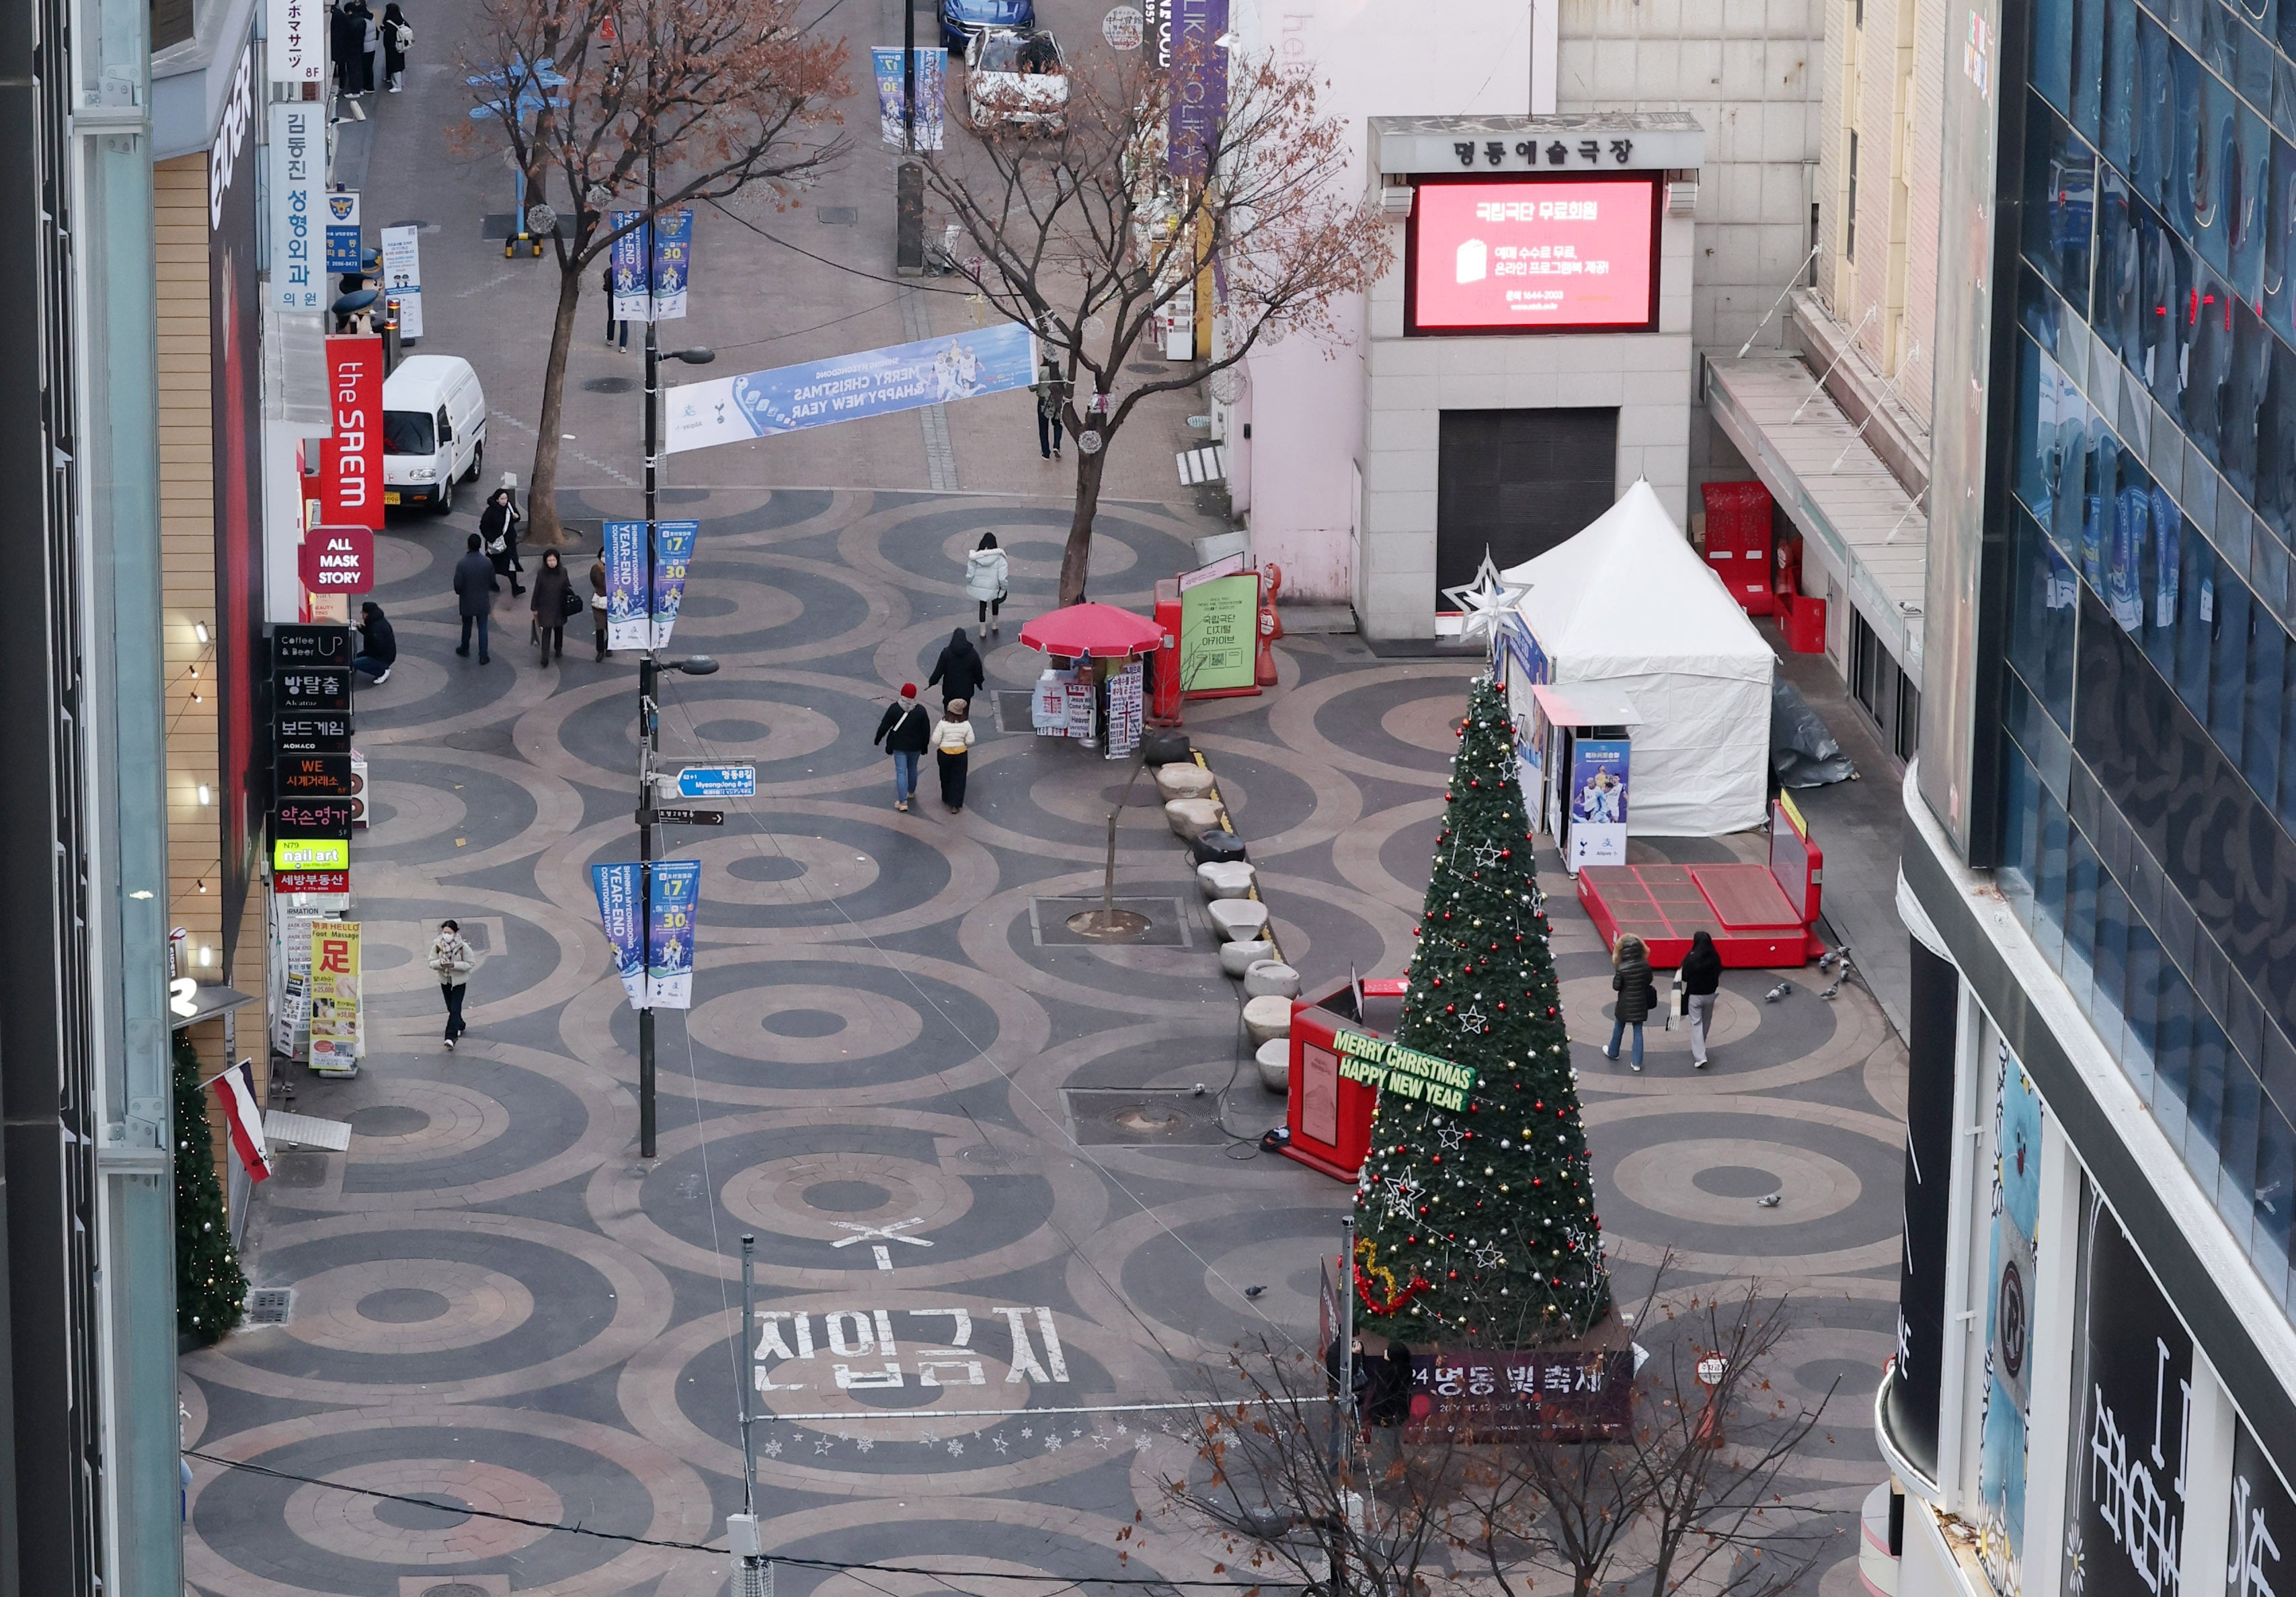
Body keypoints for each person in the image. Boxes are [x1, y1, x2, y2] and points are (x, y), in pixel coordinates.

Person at [873, 683, 931, 813]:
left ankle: (903, 802)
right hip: (915, 746)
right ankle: (911, 792)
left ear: (902, 693)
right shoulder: (921, 711)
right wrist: (925, 746)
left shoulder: (894, 708)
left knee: (901, 772)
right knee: (913, 768)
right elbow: (926, 730)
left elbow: (884, 726)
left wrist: (878, 739)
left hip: (899, 746)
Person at [1604, 931, 1654, 1072]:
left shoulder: (1621, 967)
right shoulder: (1645, 965)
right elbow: (1649, 980)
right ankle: (1637, 1063)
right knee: (1638, 1031)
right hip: (1640, 1003)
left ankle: (1613, 1052)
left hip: (1624, 1004)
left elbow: (1616, 986)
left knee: (1619, 1027)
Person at [426, 919, 474, 1051]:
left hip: (459, 982)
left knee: (455, 1008)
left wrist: (454, 965)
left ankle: (450, 1037)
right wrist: (440, 964)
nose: (446, 935)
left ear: (455, 933)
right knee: (450, 1007)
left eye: (449, 932)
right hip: (445, 980)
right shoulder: (437, 945)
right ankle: (460, 1024)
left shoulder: (463, 947)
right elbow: (431, 962)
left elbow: (470, 963)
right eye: (445, 932)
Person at [1679, 928, 1723, 1069]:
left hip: (1695, 996)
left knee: (1696, 1024)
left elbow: (1684, 975)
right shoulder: (1715, 957)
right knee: (1706, 1022)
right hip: (1711, 995)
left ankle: (1700, 1055)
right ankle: (1701, 1046)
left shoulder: (1693, 958)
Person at [452, 532, 500, 662]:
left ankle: (465, 647)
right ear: (479, 546)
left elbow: (458, 585)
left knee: (467, 624)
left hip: (467, 600)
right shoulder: (487, 562)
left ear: (468, 546)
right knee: (483, 627)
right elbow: (492, 582)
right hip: (482, 600)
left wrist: (461, 592)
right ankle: (483, 655)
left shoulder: (462, 564)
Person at [931, 698, 976, 813]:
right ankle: (955, 804)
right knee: (959, 778)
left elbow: (935, 740)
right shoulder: (966, 724)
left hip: (944, 753)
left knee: (945, 776)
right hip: (960, 754)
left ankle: (946, 797)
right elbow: (971, 740)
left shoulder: (943, 723)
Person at [479, 485, 524, 596]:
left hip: (509, 543)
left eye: (505, 498)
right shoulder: (490, 512)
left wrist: (517, 517)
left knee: (511, 563)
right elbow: (484, 527)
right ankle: (492, 583)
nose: (504, 501)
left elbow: (517, 517)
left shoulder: (510, 507)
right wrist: (493, 539)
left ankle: (515, 587)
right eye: (502, 499)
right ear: (497, 499)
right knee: (494, 565)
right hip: (497, 544)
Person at [928, 625, 986, 709]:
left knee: (949, 716)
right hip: (966, 693)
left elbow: (939, 671)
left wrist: (932, 682)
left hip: (950, 692)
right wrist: (979, 683)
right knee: (963, 714)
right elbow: (978, 671)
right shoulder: (973, 654)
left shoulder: (946, 653)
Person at [531, 548, 573, 663]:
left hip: (560, 605)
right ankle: (545, 656)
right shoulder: (541, 573)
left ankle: (558, 649)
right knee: (547, 630)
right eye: (549, 560)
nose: (551, 563)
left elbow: (567, 585)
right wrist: (534, 607)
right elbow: (537, 590)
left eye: (554, 560)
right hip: (545, 606)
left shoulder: (563, 571)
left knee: (559, 629)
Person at [964, 532, 1009, 641]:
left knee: (982, 606)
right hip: (994, 586)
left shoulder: (976, 557)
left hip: (980, 586)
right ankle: (994, 624)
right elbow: (1002, 578)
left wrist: (970, 582)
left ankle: (982, 630)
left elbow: (970, 574)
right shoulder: (1000, 558)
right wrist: (1004, 587)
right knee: (995, 603)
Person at [353, 600, 396, 683]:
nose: (362, 615)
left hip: (381, 657)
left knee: (356, 663)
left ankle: (382, 672)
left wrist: (368, 655)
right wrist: (360, 627)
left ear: (367, 614)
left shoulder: (375, 627)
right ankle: (382, 667)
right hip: (386, 655)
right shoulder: (377, 620)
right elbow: (370, 633)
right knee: (356, 657)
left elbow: (378, 646)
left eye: (362, 613)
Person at [1033, 355, 1066, 460]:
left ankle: (1046, 453)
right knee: (1057, 424)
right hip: (1057, 401)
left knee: (1043, 427)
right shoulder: (1061, 370)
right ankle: (1056, 446)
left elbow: (1033, 388)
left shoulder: (1040, 371)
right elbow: (1066, 386)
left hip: (1043, 402)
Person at [381, 3, 410, 91]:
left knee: (394, 66)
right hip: (401, 45)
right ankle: (402, 82)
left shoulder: (389, 23)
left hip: (392, 47)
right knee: (400, 64)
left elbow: (388, 37)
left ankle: (397, 86)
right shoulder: (401, 21)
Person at [600, 261, 628, 350]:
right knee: (624, 321)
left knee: (611, 318)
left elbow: (606, 287)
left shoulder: (608, 272)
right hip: (624, 299)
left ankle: (610, 339)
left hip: (612, 298)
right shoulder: (626, 272)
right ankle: (623, 345)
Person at [590, 549, 611, 660]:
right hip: (599, 600)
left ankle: (609, 646)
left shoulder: (616, 568)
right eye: (603, 555)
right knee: (600, 626)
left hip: (612, 601)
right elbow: (597, 582)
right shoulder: (596, 569)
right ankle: (600, 650)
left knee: (611, 626)